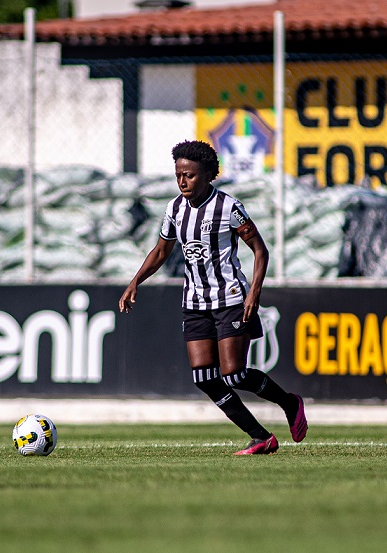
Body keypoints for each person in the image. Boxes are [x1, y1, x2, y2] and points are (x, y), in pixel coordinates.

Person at [119, 139, 306, 455]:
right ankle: (261, 437)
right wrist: (135, 281)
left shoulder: (228, 208)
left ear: (208, 175)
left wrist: (254, 295)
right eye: (178, 174)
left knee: (233, 374)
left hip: (230, 298)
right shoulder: (174, 209)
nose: (182, 181)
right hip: (194, 303)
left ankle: (289, 402)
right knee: (204, 377)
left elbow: (260, 251)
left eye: (189, 175)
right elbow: (162, 249)